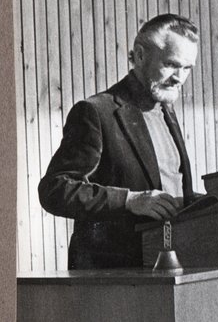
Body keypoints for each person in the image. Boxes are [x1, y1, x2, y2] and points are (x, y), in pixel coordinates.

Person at [38, 13, 200, 269]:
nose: (179, 77)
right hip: (113, 277)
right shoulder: (95, 112)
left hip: (164, 268)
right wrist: (130, 200)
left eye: (187, 68)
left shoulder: (166, 110)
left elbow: (171, 189)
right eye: (171, 64)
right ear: (139, 55)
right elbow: (55, 190)